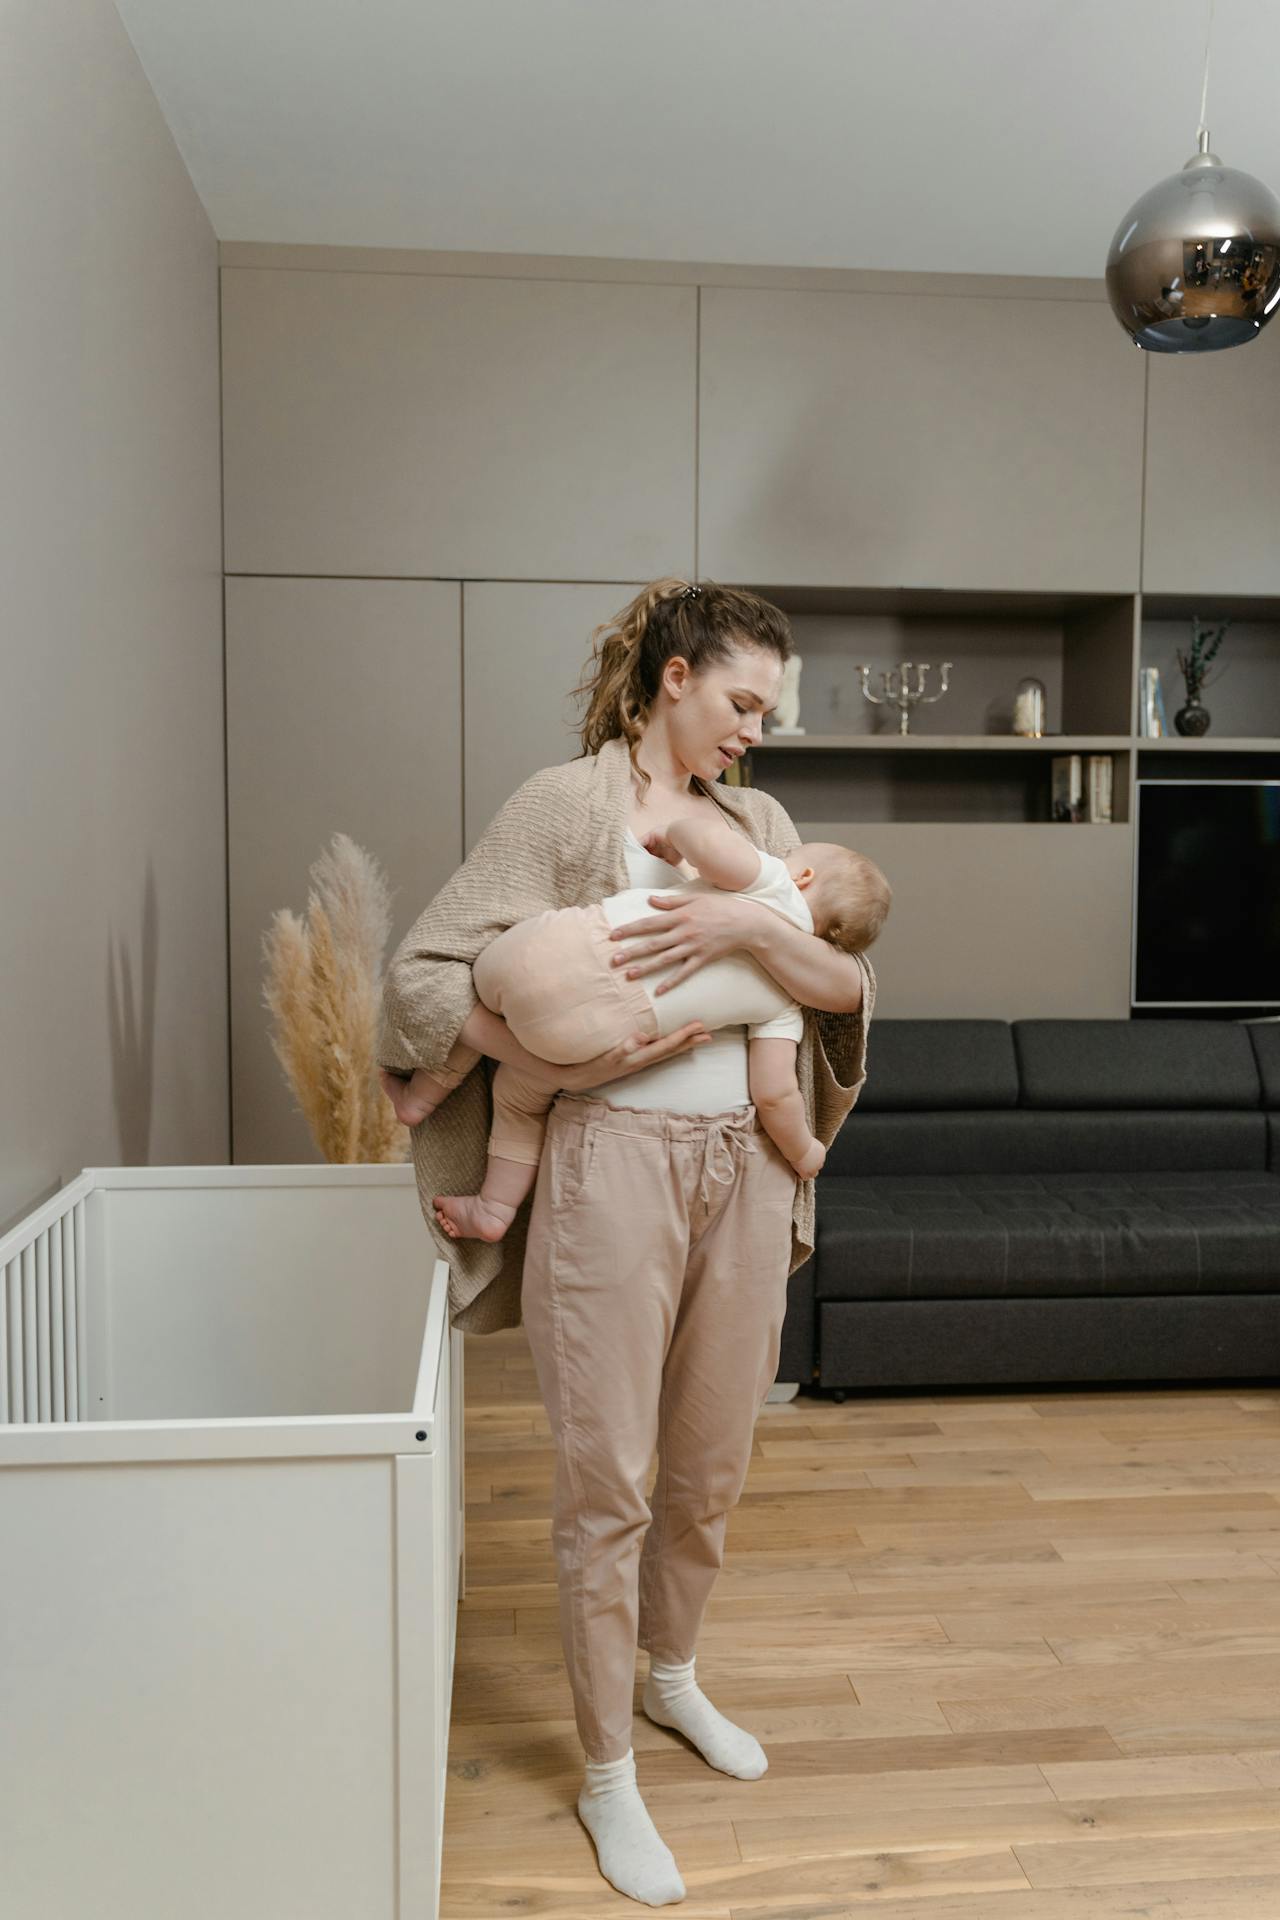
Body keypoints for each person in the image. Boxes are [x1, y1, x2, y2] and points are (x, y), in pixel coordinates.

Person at [378, 576, 878, 1908]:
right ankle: (606, 1771)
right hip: (609, 1169)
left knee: (709, 1468)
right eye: (741, 701)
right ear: (672, 677)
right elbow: (425, 976)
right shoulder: (561, 807)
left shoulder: (760, 826)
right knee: (607, 1486)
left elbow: (846, 985)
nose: (754, 734)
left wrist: (744, 924)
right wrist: (538, 1038)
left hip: (749, 1173)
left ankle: (669, 1684)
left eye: (768, 710)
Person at [400, 819, 888, 1242]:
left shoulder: (771, 882)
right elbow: (777, 1092)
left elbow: (708, 840)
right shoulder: (789, 998)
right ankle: (493, 1209)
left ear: (802, 875)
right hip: (595, 1038)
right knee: (518, 1097)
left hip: (559, 953)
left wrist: (675, 834)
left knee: (479, 995)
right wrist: (805, 1150)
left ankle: (423, 1095)